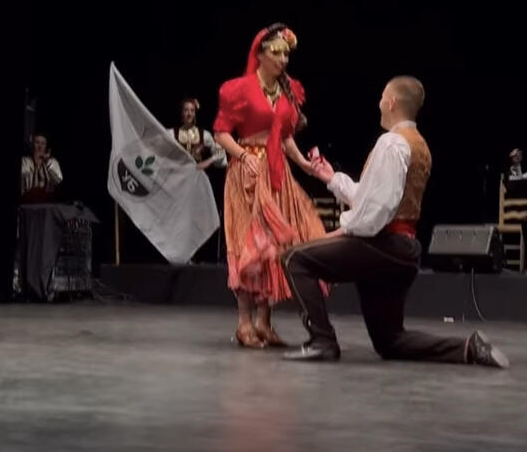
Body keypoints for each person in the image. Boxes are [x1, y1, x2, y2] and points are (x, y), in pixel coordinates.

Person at [281, 76, 509, 368]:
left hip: (382, 245)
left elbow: (375, 214)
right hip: (402, 250)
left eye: (381, 98)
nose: (379, 103)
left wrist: (341, 232)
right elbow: (375, 198)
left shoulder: (391, 143)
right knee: (390, 341)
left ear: (390, 103)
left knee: (294, 259)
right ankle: (468, 348)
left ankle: (322, 341)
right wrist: (331, 178)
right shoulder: (419, 145)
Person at [213, 23, 327, 349]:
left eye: (286, 54)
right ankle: (244, 323)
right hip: (248, 172)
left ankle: (264, 322)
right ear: (260, 54)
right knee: (250, 245)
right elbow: (221, 132)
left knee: (275, 249)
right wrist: (242, 155)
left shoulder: (289, 90)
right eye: (276, 52)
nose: (283, 59)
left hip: (277, 173)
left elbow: (286, 137)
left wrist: (304, 164)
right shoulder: (239, 89)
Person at [170, 98, 227, 170]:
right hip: (178, 173)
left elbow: (221, 162)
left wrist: (218, 153)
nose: (189, 114)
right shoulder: (172, 133)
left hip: (196, 174)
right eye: (186, 110)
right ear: (182, 113)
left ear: (195, 113)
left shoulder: (205, 135)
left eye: (192, 110)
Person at [21, 133, 63, 202]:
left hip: (47, 203)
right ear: (32, 145)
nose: (40, 146)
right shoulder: (24, 161)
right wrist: (35, 161)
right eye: (37, 142)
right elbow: (23, 174)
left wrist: (47, 162)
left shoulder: (53, 161)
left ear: (46, 146)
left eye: (43, 143)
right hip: (27, 202)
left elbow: (58, 180)